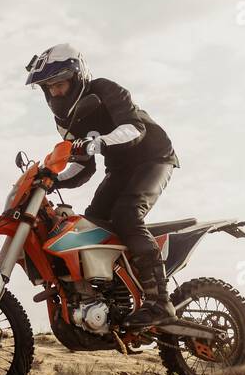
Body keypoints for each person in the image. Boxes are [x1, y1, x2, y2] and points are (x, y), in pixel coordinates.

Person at [24, 43, 179, 328]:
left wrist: (99, 141)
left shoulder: (106, 90)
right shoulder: (64, 120)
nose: (55, 92)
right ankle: (114, 298)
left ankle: (160, 302)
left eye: (60, 83)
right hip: (120, 168)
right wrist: (52, 179)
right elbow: (84, 168)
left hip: (153, 158)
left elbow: (134, 129)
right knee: (91, 224)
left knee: (126, 215)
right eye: (49, 87)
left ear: (78, 76)